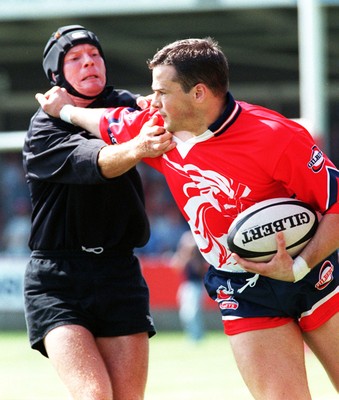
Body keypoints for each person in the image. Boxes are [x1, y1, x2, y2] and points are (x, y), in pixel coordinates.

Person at [35, 37, 339, 399]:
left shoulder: (275, 136)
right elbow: (105, 120)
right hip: (241, 290)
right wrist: (65, 112)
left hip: (316, 273)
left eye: (161, 92)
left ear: (198, 93)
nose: (150, 101)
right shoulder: (156, 131)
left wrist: (300, 266)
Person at [22, 25, 174, 400]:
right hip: (58, 279)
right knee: (94, 395)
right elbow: (101, 162)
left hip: (119, 272)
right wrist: (139, 146)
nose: (89, 61)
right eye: (74, 58)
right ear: (56, 76)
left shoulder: (124, 106)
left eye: (94, 55)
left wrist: (152, 104)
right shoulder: (45, 127)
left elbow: (142, 105)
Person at [170, 230, 208, 342]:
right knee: (185, 313)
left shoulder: (198, 256)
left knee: (193, 313)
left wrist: (193, 256)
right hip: (186, 285)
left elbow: (201, 271)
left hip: (196, 285)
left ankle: (197, 337)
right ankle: (192, 336)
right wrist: (186, 254)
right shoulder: (184, 255)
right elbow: (176, 267)